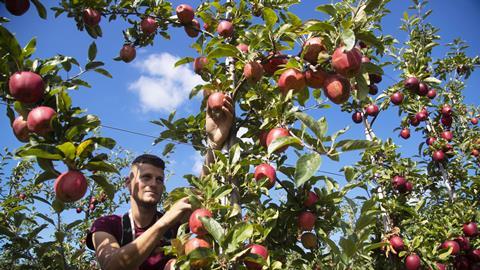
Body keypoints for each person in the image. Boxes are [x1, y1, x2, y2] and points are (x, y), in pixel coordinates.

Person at [86, 95, 234, 270]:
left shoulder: (175, 225)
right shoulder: (108, 224)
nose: (153, 183)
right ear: (128, 183)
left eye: (159, 179)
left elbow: (202, 188)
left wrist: (214, 143)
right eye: (146, 177)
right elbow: (112, 266)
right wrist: (164, 223)